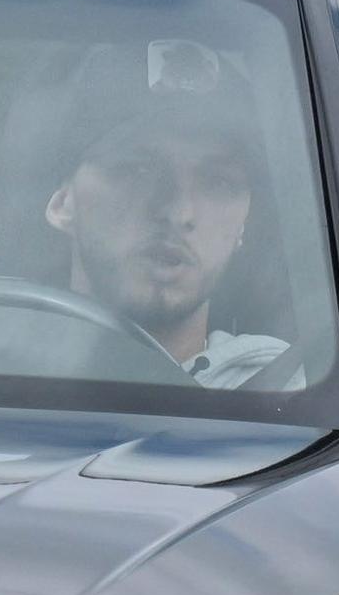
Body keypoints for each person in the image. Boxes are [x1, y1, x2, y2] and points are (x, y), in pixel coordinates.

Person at [46, 43, 290, 388]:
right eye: (138, 170)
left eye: (218, 183)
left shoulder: (300, 400)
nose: (179, 212)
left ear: (243, 225)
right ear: (63, 202)